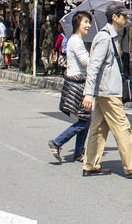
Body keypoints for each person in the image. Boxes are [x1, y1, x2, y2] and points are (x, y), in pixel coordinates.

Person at [81, 1, 132, 179]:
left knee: (98, 128)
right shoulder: (105, 38)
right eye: (124, 15)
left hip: (106, 89)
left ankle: (90, 164)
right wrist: (88, 93)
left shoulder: (112, 36)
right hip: (108, 91)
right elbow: (94, 67)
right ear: (115, 17)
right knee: (122, 126)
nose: (127, 18)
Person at [49, 11, 92, 163]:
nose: (89, 25)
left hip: (79, 83)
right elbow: (87, 63)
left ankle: (79, 152)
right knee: (85, 121)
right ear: (77, 23)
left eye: (89, 22)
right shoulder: (75, 41)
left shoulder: (77, 40)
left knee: (85, 118)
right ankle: (57, 142)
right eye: (85, 22)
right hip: (77, 84)